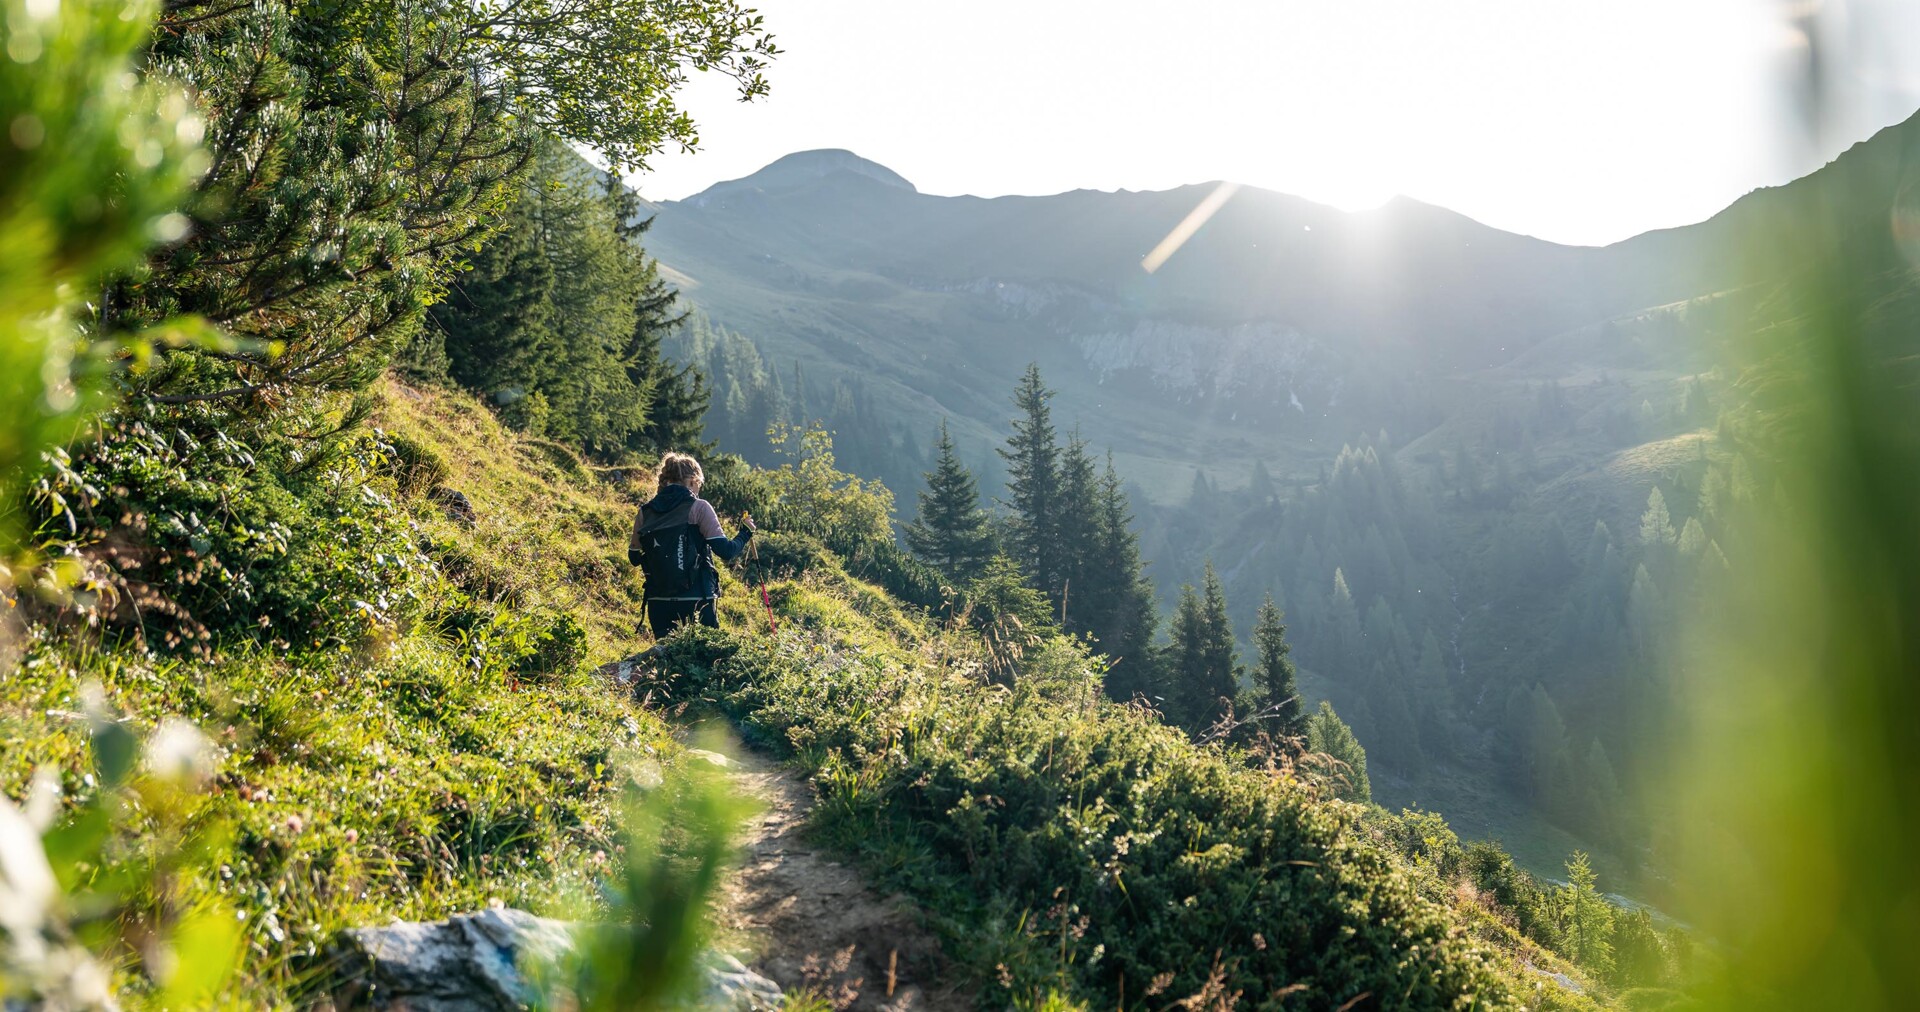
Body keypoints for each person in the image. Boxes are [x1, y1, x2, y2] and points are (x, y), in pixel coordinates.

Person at [629, 452, 756, 637]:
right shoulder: (699, 507)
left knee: (667, 661)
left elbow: (634, 558)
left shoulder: (645, 511)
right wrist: (745, 533)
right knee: (704, 660)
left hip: (658, 601)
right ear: (691, 481)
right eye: (699, 485)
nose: (698, 490)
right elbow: (726, 551)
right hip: (696, 599)